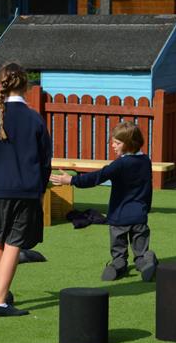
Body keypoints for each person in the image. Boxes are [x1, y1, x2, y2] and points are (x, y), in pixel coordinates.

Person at [0, 63, 52, 318]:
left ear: (0, 85)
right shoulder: (35, 118)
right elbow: (45, 161)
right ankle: (0, 301)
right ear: (26, 86)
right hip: (26, 190)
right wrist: (40, 190)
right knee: (14, 242)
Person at [50, 121, 157, 282]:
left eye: (117, 143)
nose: (113, 145)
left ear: (129, 144)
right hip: (139, 217)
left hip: (119, 217)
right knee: (140, 252)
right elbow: (148, 188)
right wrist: (145, 209)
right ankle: (145, 261)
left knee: (118, 251)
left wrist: (71, 180)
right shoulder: (145, 161)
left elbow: (96, 177)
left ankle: (118, 264)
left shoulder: (120, 164)